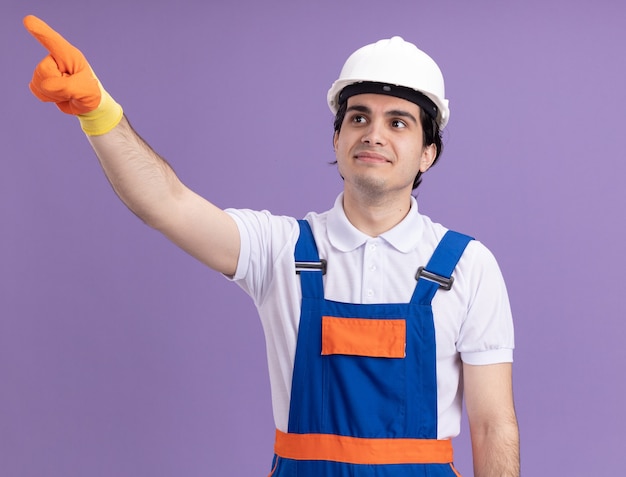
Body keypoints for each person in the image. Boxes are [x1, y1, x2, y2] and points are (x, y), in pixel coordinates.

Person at [23, 14, 520, 477]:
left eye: (398, 122)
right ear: (337, 139)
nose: (374, 134)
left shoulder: (468, 266)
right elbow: (166, 203)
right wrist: (98, 111)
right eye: (359, 117)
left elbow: (493, 425)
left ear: (427, 154)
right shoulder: (280, 250)